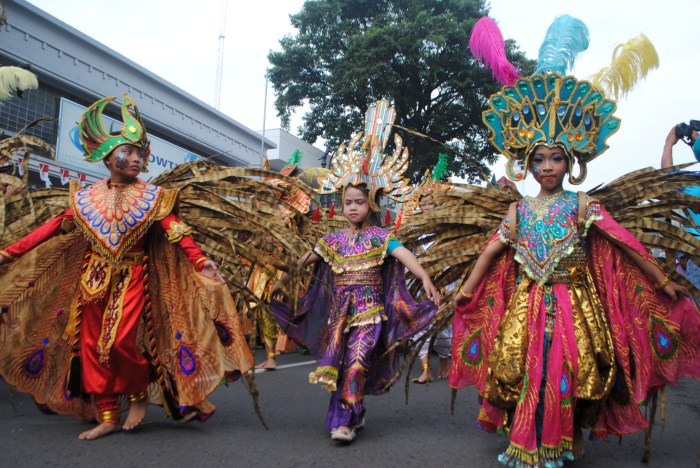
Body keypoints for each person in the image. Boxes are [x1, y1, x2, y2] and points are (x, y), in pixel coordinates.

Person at [450, 15, 700, 467]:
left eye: (557, 158)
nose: (548, 166)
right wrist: (467, 290)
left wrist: (661, 279)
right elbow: (493, 250)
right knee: (525, 366)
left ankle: (569, 433)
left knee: (575, 369)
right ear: (526, 165)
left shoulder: (582, 206)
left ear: (571, 163)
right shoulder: (519, 210)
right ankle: (525, 435)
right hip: (526, 305)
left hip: (575, 304)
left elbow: (624, 243)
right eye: (539, 159)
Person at [0, 94, 253, 440]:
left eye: (139, 154)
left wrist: (199, 260)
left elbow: (174, 230)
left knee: (119, 343)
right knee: (89, 346)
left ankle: (136, 396)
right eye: (128, 153)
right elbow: (51, 229)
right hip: (92, 279)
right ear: (108, 157)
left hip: (134, 276)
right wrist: (8, 254)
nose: (135, 159)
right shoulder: (85, 198)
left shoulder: (151, 196)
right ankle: (107, 414)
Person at [270, 100, 440, 443]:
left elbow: (404, 254)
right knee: (342, 366)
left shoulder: (382, 237)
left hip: (371, 314)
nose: (352, 207)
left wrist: (423, 276)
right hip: (339, 315)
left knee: (357, 363)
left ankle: (343, 422)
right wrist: (283, 281)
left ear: (370, 205)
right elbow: (306, 259)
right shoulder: (332, 239)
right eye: (347, 202)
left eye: (358, 202)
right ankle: (353, 413)